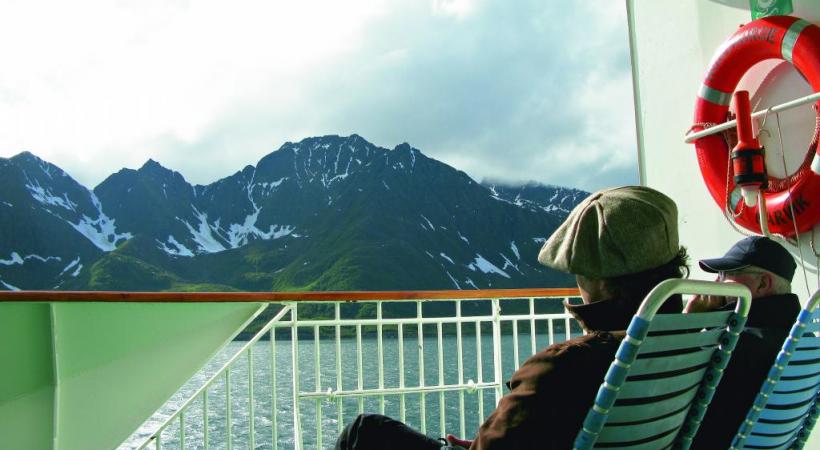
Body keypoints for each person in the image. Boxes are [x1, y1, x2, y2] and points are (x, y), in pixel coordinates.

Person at [335, 186, 689, 450]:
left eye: (579, 272)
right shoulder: (695, 344)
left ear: (597, 282)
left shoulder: (564, 367)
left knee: (365, 432)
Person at [685, 236, 800, 449]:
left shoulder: (733, 344)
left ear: (763, 283)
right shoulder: (800, 342)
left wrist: (690, 320)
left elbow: (663, 388)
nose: (716, 284)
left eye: (726, 274)